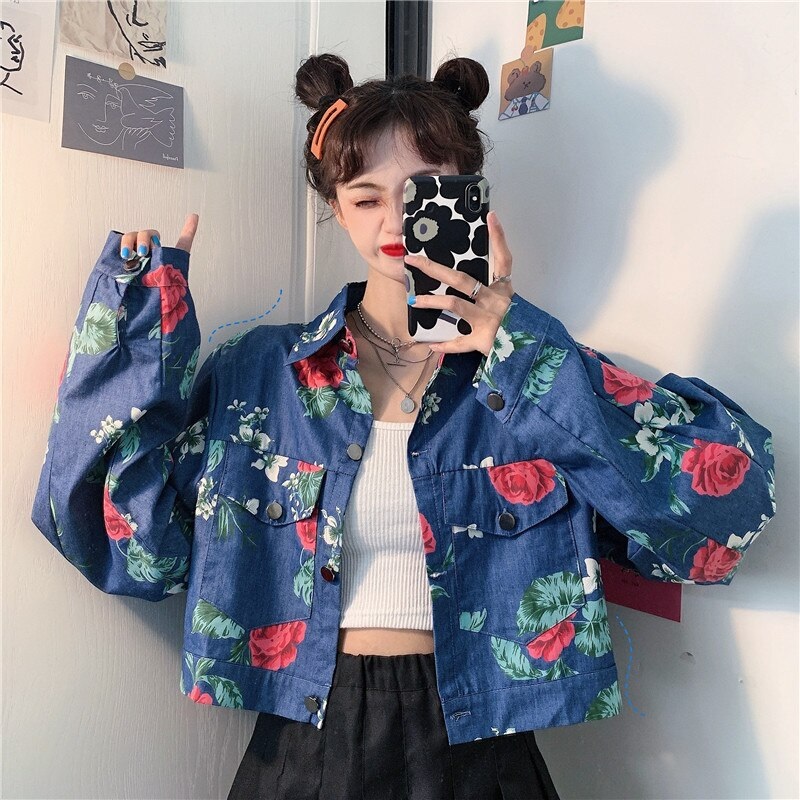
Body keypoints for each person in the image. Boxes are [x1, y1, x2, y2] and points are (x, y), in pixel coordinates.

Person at [31, 53, 776, 800]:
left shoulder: (534, 377)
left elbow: (722, 522)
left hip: (486, 750)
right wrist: (139, 337)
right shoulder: (261, 375)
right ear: (336, 208)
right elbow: (125, 549)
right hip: (305, 745)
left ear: (471, 195)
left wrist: (518, 348)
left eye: (424, 192)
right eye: (365, 197)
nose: (395, 222)